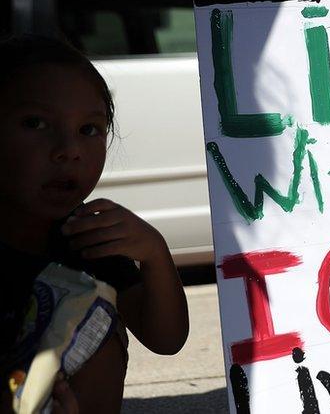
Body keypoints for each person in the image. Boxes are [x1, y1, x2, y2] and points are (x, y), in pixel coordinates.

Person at [0, 35, 189, 413]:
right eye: (36, 123)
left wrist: (154, 253)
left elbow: (165, 339)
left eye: (89, 130)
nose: (68, 150)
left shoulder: (86, 236)